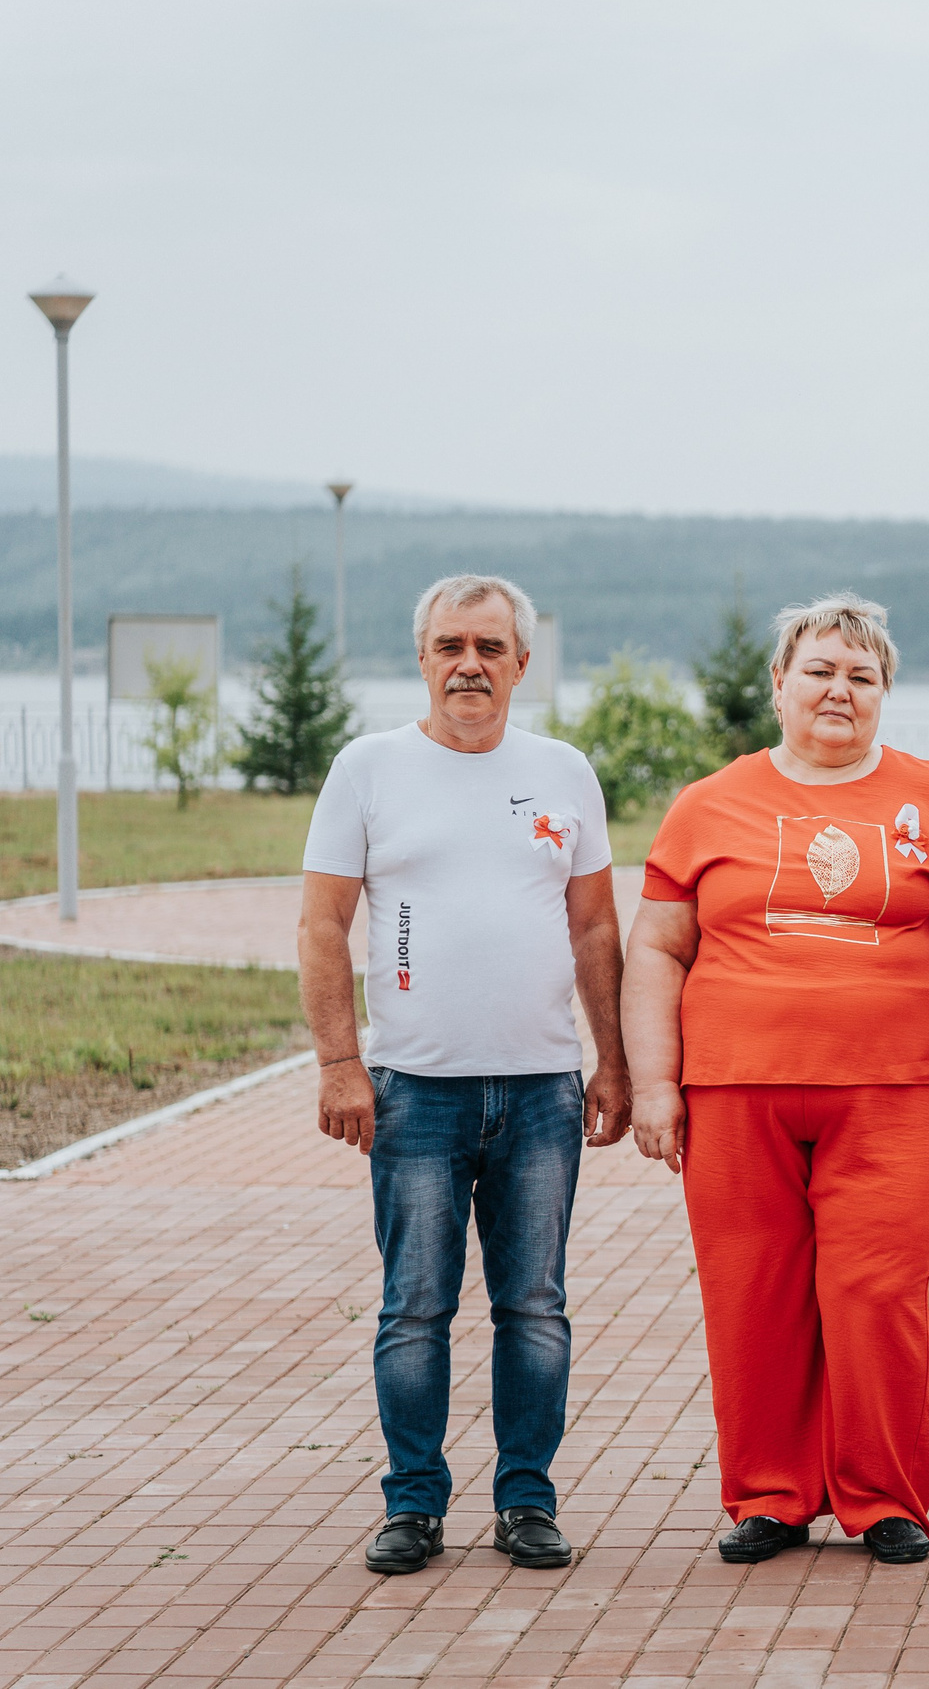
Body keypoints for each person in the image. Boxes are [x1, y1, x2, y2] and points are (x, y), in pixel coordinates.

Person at [622, 593, 929, 1568]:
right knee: (752, 1293)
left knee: (877, 1292)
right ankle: (771, 1495)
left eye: (861, 676)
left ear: (883, 692)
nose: (840, 690)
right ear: (779, 684)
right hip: (733, 1092)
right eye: (821, 671)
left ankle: (885, 1498)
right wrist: (655, 1083)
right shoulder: (708, 804)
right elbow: (658, 948)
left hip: (890, 1092)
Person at [300, 573, 630, 1576]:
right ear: (422, 658)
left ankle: (526, 1500)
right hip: (413, 1091)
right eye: (450, 646)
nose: (469, 665)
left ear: (522, 662)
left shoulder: (564, 771)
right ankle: (413, 1503)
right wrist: (340, 1062)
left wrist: (613, 1060)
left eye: (489, 648)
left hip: (540, 1090)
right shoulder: (368, 770)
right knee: (415, 1308)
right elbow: (322, 923)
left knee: (534, 1307)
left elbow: (594, 926)